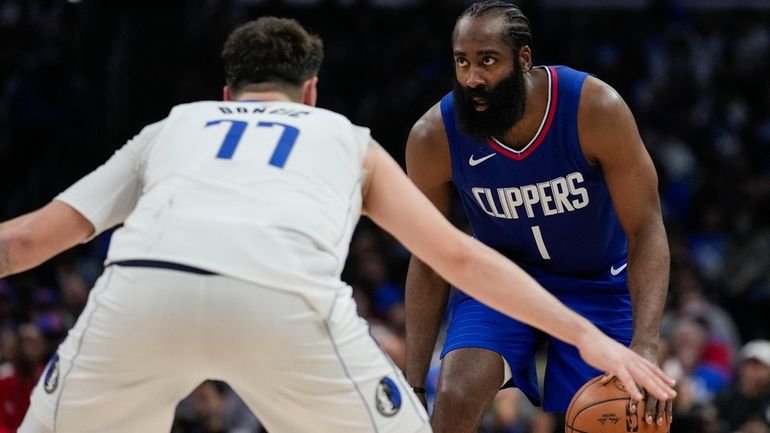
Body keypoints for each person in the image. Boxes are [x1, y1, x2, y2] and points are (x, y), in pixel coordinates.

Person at [0, 16, 674, 433]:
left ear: (225, 95)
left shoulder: (171, 126)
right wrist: (592, 341)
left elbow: (24, 241)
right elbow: (455, 258)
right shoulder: (346, 136)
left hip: (138, 296)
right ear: (313, 93)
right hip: (281, 298)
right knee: (442, 402)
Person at [403, 1, 672, 432]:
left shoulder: (594, 108)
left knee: (621, 414)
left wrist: (645, 344)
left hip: (599, 283)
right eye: (462, 62)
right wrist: (413, 384)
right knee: (453, 396)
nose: (473, 78)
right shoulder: (433, 137)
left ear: (524, 59)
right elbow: (429, 256)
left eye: (488, 60)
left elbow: (646, 228)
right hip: (500, 281)